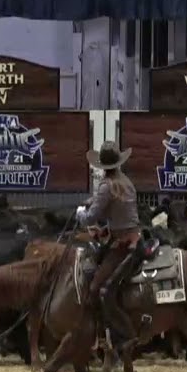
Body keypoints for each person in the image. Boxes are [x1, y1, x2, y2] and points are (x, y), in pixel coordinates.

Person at [76, 141, 151, 340]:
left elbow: (91, 217)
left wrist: (79, 213)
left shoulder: (106, 186)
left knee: (99, 289)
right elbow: (120, 208)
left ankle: (124, 336)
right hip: (132, 236)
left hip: (123, 246)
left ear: (102, 166)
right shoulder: (126, 181)